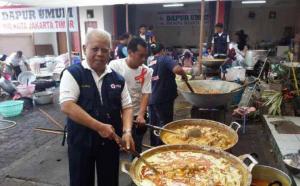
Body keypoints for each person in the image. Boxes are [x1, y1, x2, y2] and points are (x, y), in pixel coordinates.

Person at [59, 29, 135, 186]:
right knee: (81, 181)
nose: (100, 54)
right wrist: (99, 126)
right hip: (80, 141)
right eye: (95, 49)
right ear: (84, 48)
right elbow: (67, 106)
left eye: (104, 50)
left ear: (110, 52)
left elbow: (127, 107)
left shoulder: (117, 78)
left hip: (109, 143)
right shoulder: (73, 73)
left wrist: (127, 132)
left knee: (109, 181)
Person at [109, 37, 152, 154]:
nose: (144, 59)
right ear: (130, 52)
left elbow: (145, 94)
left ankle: (135, 169)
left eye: (145, 56)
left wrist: (142, 115)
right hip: (118, 115)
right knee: (115, 147)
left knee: (136, 148)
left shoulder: (146, 71)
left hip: (137, 115)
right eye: (140, 55)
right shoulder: (115, 66)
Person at [148, 43, 187, 146]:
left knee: (154, 125)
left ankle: (153, 148)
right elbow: (177, 69)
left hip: (151, 99)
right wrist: (184, 75)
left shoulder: (150, 62)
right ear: (163, 51)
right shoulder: (164, 58)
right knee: (165, 126)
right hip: (163, 99)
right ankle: (162, 149)